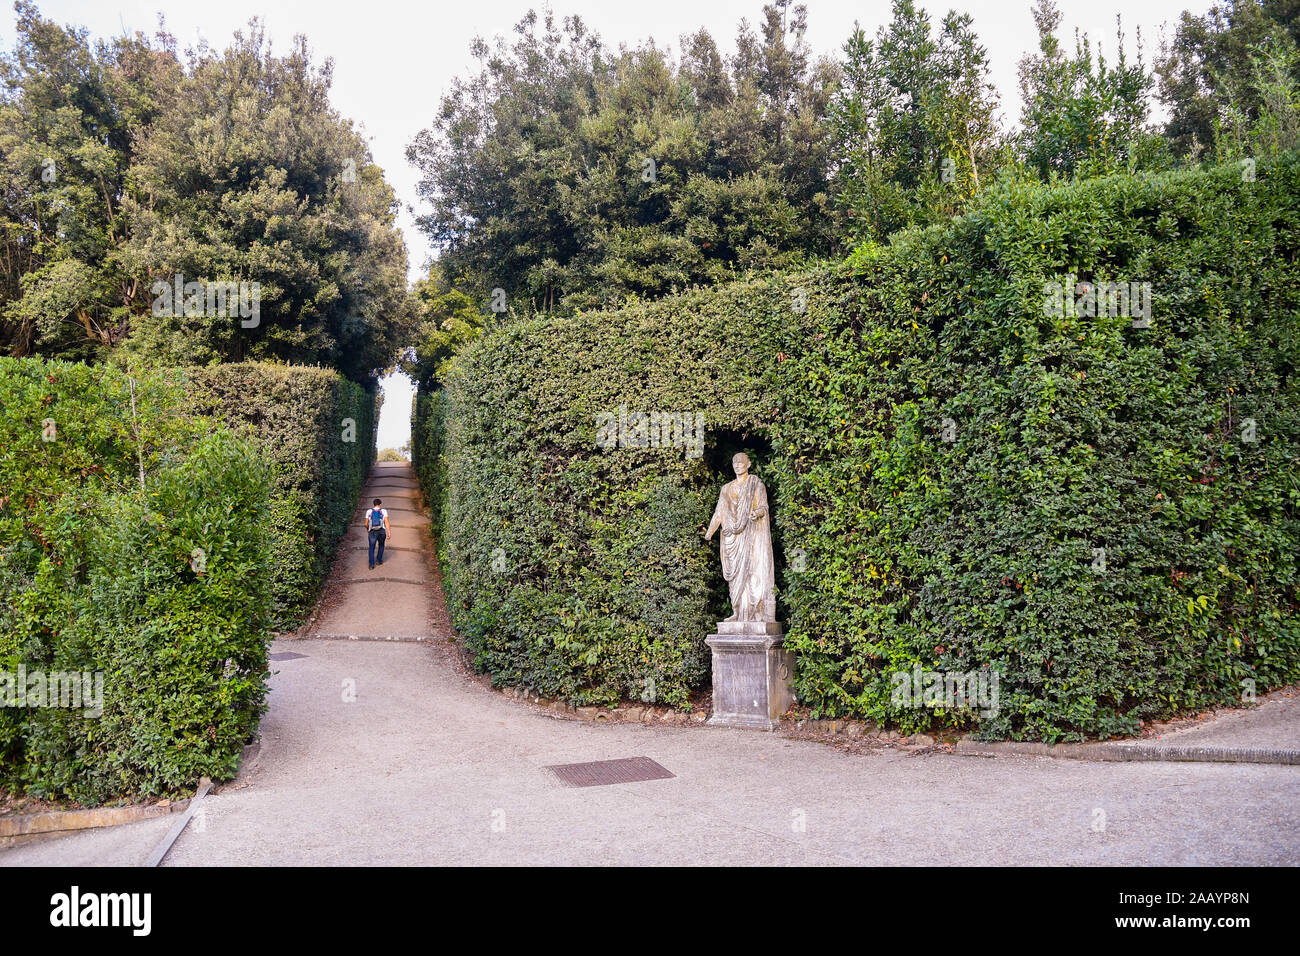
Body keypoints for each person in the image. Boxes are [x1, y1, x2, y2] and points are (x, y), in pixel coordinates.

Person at [704, 452, 776, 623]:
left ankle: (757, 613)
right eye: (735, 463)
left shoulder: (755, 484)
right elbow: (719, 512)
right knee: (735, 577)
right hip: (732, 538)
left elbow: (764, 507)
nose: (737, 465)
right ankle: (737, 612)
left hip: (752, 535)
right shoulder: (726, 489)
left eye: (741, 462)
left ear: (748, 464)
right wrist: (709, 532)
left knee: (753, 573)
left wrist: (756, 513)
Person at [364, 498, 390, 569]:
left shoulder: (369, 511)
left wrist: (368, 529)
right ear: (380, 504)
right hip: (382, 531)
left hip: (372, 531)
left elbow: (366, 524)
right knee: (381, 545)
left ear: (374, 504)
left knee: (371, 548)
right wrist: (389, 532)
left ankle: (371, 565)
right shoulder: (384, 511)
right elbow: (386, 522)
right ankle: (379, 560)